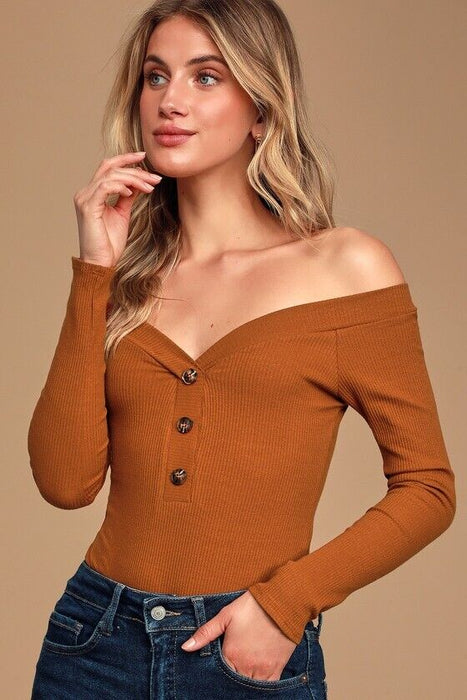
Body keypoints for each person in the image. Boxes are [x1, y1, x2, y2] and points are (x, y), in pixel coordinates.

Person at [28, 1, 456, 698]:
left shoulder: (345, 267)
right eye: (155, 76)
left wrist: (286, 604)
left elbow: (428, 488)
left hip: (243, 653)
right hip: (95, 642)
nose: (170, 100)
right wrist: (94, 272)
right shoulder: (126, 280)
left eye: (205, 77)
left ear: (260, 108)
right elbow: (64, 482)